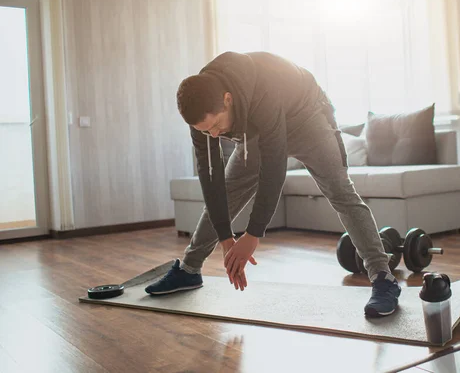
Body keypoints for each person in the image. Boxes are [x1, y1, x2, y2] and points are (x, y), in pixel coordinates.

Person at [145, 51, 401, 317]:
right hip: (256, 128)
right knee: (229, 192)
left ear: (227, 100)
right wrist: (225, 238)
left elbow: (274, 167)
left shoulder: (264, 86)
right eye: (206, 130)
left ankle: (384, 278)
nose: (214, 134)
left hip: (306, 116)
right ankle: (189, 270)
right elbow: (211, 179)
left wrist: (253, 234)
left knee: (341, 192)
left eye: (216, 125)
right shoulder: (202, 110)